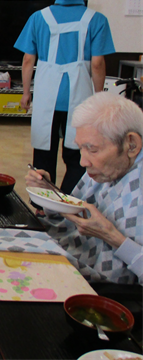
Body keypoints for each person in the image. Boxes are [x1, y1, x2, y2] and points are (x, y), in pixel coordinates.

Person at [15, 0, 115, 194]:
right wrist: (98, 99)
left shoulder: (39, 18)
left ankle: (42, 203)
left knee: (43, 151)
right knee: (78, 153)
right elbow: (98, 63)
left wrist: (26, 93)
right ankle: (70, 200)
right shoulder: (97, 20)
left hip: (47, 94)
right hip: (80, 96)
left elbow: (28, 60)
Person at [26, 92, 143, 285]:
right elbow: (79, 207)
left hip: (105, 291)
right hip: (72, 253)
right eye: (81, 148)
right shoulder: (111, 165)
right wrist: (49, 191)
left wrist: (112, 237)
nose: (83, 161)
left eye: (93, 149)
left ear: (132, 144)